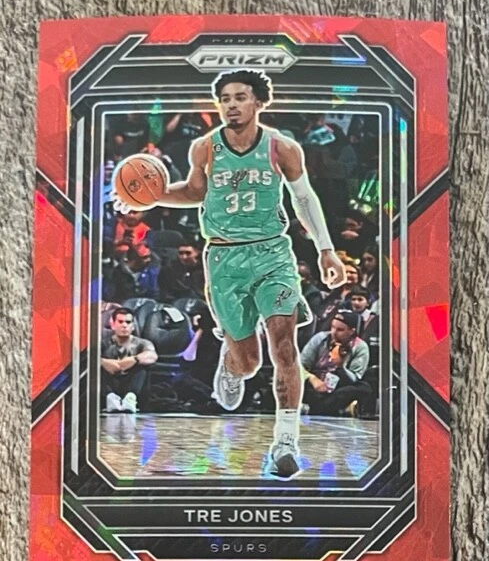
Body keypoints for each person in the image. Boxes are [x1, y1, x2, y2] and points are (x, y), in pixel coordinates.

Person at [113, 70, 346, 479]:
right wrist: (151, 196)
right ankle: (231, 362)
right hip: (224, 259)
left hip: (273, 254)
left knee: (284, 347)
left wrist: (326, 249)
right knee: (249, 362)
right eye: (225, 98)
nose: (232, 105)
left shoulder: (282, 147)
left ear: (258, 102)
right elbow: (194, 193)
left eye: (240, 97)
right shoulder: (205, 147)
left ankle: (285, 441)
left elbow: (304, 198)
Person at [301, 311, 371, 415]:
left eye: (340, 330)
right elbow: (299, 366)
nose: (334, 332)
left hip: (339, 386)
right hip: (315, 384)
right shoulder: (320, 338)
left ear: (351, 331)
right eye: (332, 327)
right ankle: (337, 409)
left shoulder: (360, 347)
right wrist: (312, 379)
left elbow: (354, 378)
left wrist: (340, 366)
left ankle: (316, 408)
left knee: (364, 388)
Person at [101, 307, 158, 414]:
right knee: (96, 365)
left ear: (133, 326)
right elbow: (91, 358)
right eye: (120, 322)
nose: (124, 325)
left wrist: (134, 359)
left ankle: (130, 398)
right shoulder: (103, 343)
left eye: (128, 322)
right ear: (113, 325)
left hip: (131, 383)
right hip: (110, 383)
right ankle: (111, 398)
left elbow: (152, 356)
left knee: (143, 364)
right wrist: (104, 363)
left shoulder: (142, 343)